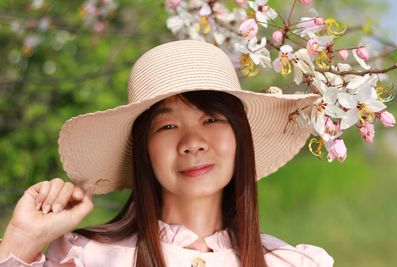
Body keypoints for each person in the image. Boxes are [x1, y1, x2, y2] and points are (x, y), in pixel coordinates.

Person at [0, 40, 334, 267]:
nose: (192, 142)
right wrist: (22, 240)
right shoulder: (89, 256)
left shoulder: (290, 262)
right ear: (143, 148)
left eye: (211, 119)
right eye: (168, 126)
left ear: (240, 136)